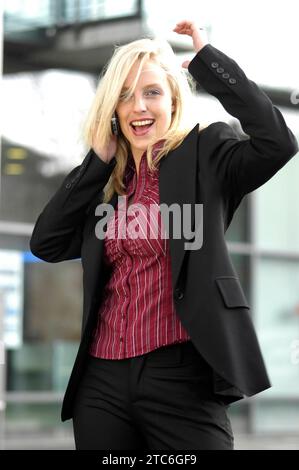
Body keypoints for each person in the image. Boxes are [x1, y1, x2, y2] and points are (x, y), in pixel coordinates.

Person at [29, 20, 298, 450]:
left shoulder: (206, 154)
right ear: (113, 111)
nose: (139, 106)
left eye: (152, 92)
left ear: (173, 99)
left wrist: (212, 66)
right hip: (101, 381)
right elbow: (45, 243)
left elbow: (278, 143)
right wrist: (95, 163)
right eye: (125, 95)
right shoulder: (104, 187)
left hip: (182, 376)